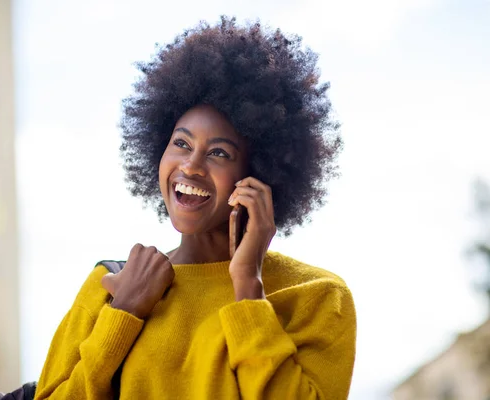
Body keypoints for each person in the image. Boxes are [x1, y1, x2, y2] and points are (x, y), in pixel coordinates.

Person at [35, 16, 356, 400]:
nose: (190, 166)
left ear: (257, 176)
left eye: (219, 153)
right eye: (181, 144)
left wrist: (247, 286)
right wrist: (124, 312)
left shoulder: (315, 295)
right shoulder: (111, 284)